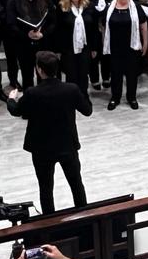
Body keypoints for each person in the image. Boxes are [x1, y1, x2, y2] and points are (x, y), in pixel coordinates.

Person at [7, 52, 92, 213]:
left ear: (39, 70)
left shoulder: (32, 93)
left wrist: (11, 99)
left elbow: (16, 111)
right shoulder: (71, 89)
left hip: (42, 149)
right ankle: (84, 216)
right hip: (67, 145)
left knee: (46, 189)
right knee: (76, 184)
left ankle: (49, 226)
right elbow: (87, 110)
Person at [103, 0, 148, 110]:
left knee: (131, 74)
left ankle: (132, 97)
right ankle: (115, 98)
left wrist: (145, 43)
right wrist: (103, 43)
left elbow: (143, 26)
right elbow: (104, 27)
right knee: (115, 73)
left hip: (131, 47)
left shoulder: (136, 8)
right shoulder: (110, 7)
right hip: (115, 47)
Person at [6, 0, 55, 91]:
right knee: (27, 75)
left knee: (44, 75)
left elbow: (53, 21)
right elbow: (11, 25)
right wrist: (27, 34)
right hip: (23, 44)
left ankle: (44, 98)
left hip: (43, 42)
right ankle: (31, 99)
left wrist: (43, 34)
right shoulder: (13, 1)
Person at [55, 0, 100, 91]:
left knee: (84, 74)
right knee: (71, 75)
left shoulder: (89, 6)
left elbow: (94, 28)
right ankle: (71, 99)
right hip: (68, 48)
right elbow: (58, 30)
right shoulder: (62, 8)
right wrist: (58, 50)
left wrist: (94, 47)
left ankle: (83, 97)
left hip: (85, 47)